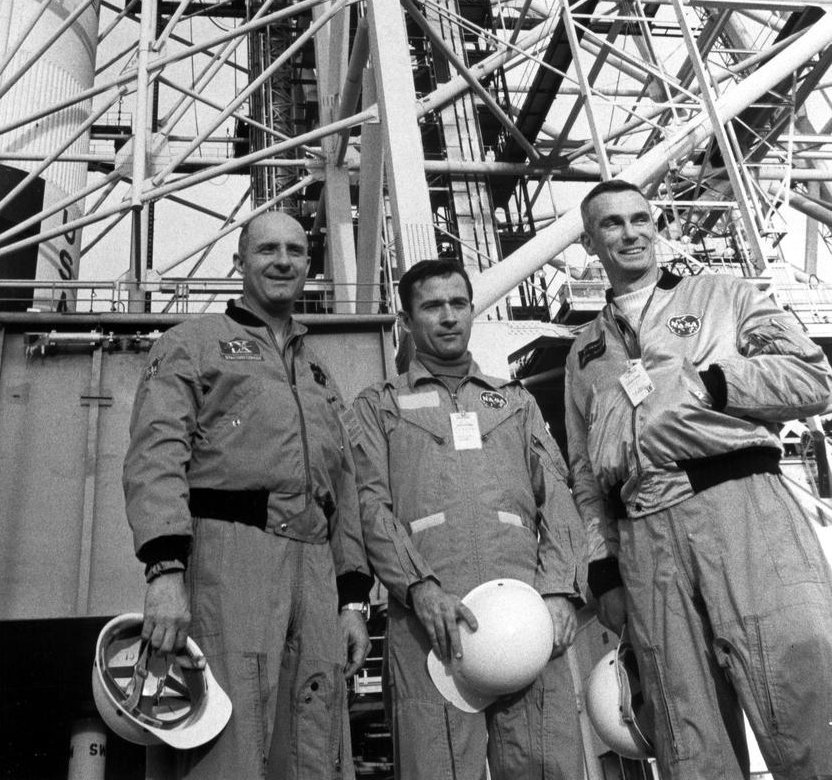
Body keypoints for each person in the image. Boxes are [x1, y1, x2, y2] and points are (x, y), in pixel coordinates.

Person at [565, 178, 832, 780]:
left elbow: (812, 378)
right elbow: (584, 476)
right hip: (643, 538)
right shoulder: (585, 351)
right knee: (686, 726)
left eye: (640, 219)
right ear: (589, 241)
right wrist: (603, 569)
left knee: (797, 688)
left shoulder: (725, 295)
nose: (631, 233)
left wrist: (712, 383)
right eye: (612, 224)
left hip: (741, 510)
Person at [123, 211, 372, 779]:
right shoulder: (193, 344)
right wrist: (164, 571)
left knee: (315, 742)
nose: (282, 261)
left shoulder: (319, 375)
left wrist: (352, 601)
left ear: (309, 266)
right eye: (267, 250)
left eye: (295, 251)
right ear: (239, 262)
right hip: (228, 561)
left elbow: (346, 495)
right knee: (228, 737)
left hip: (314, 570)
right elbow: (155, 454)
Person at [347, 258, 588, 780]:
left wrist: (559, 590)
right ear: (406, 320)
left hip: (528, 614)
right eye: (433, 306)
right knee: (438, 767)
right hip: (432, 622)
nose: (450, 316)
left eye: (459, 303)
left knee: (548, 765)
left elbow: (560, 499)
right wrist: (420, 588)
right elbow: (367, 505)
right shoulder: (378, 407)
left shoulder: (515, 402)